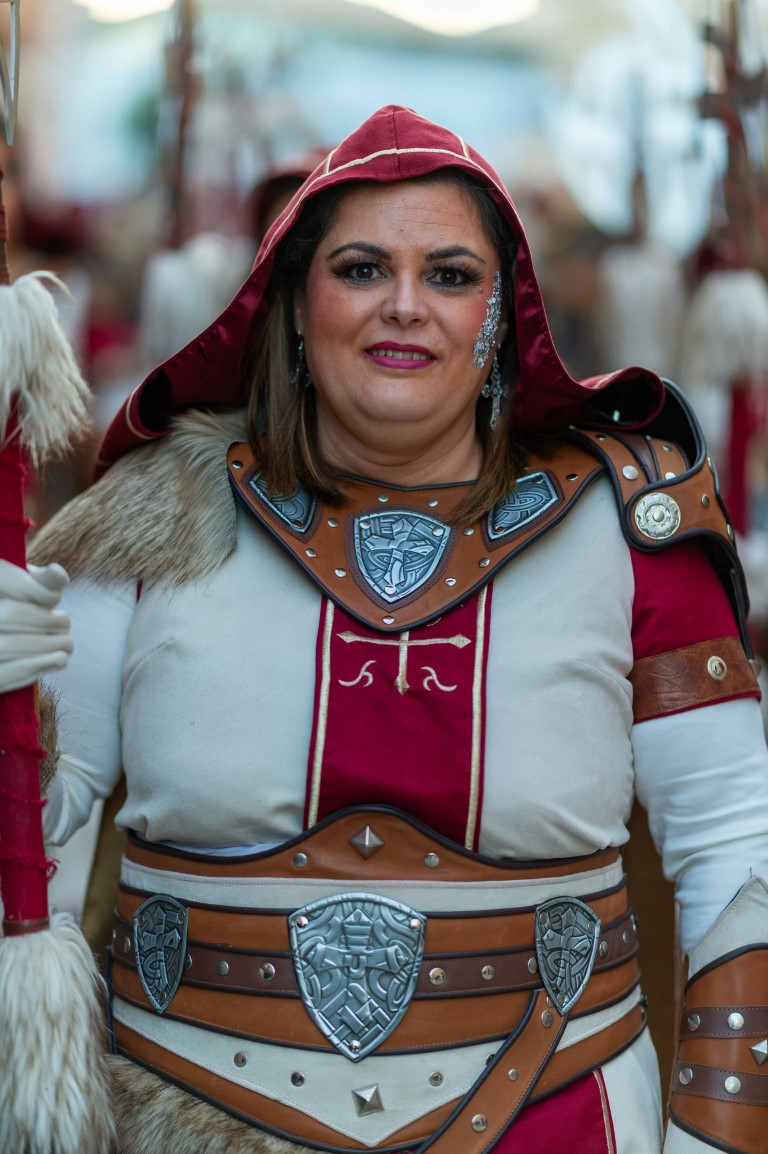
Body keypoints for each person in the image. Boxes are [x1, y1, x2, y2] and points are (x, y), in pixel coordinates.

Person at [1, 105, 767, 1154]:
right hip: (177, 1114)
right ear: (294, 302)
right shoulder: (146, 515)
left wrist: (718, 1140)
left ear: (501, 315)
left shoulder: (638, 523)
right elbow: (32, 841)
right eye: (361, 269)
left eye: (450, 275)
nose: (405, 304)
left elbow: (735, 847)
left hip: (562, 1119)